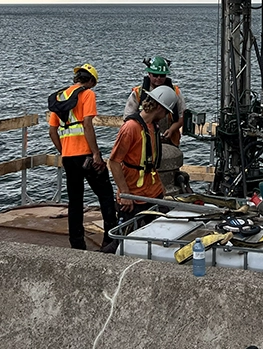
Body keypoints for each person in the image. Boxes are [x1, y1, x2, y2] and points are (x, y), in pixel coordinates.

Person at [47, 63, 118, 252]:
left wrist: (64, 150)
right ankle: (110, 240)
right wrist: (96, 153)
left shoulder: (59, 97)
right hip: (86, 155)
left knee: (75, 201)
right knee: (105, 195)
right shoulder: (87, 94)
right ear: (91, 81)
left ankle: (77, 243)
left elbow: (52, 131)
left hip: (69, 157)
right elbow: (87, 124)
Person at [109, 85, 177, 228]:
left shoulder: (153, 127)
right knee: (125, 238)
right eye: (166, 111)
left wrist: (160, 187)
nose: (166, 116)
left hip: (153, 193)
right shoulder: (131, 128)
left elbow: (150, 161)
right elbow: (114, 162)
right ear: (159, 108)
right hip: (134, 196)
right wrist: (125, 193)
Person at [123, 55, 187, 146]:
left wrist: (172, 130)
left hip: (169, 141)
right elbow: (128, 118)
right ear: (149, 74)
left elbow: (183, 115)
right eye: (155, 75)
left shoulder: (175, 92)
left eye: (162, 75)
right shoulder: (138, 93)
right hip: (143, 141)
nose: (158, 78)